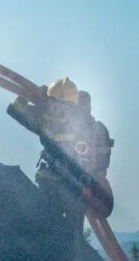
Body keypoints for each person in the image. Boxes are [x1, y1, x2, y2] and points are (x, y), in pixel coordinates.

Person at [8, 78, 115, 259]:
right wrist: (32, 96)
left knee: (65, 230)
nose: (58, 108)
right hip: (60, 182)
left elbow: (20, 109)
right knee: (59, 228)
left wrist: (96, 179)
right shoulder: (49, 118)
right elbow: (20, 109)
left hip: (71, 186)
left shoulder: (76, 124)